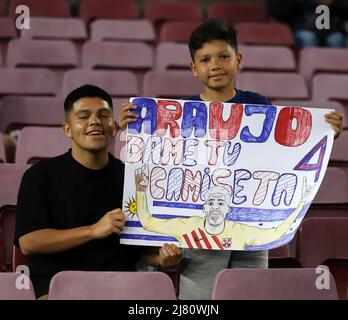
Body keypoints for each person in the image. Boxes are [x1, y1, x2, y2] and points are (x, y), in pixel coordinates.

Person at [118, 19, 343, 300]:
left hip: (250, 234)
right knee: (199, 301)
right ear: (193, 68)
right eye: (205, 59)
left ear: (238, 60)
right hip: (199, 232)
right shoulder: (180, 114)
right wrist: (131, 126)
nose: (215, 65)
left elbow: (283, 156)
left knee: (250, 293)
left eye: (223, 56)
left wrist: (323, 135)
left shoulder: (259, 106)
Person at [14, 85, 182, 300]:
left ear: (113, 127)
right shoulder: (40, 175)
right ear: (67, 129)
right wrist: (93, 230)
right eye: (83, 116)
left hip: (122, 287)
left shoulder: (132, 178)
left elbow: (143, 252)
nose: (95, 121)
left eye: (103, 115)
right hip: (57, 286)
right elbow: (29, 243)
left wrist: (161, 259)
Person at [135, 166, 311, 250]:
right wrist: (141, 190)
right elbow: (147, 222)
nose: (215, 208)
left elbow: (276, 233)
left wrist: (301, 203)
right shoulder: (187, 226)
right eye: (211, 203)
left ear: (227, 209)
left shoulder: (240, 230)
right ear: (204, 208)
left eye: (220, 203)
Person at [267, 0, 348, 48]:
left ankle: (332, 73)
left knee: (337, 39)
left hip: (330, 31)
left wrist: (331, 3)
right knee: (308, 38)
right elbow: (276, 12)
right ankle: (311, 70)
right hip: (301, 30)